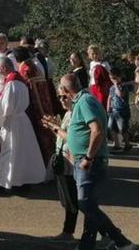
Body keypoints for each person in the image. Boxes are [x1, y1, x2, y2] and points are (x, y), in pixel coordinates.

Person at [61, 72, 136, 250]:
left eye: (60, 91)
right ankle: (88, 245)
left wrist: (88, 157)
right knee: (90, 205)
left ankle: (119, 239)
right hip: (85, 160)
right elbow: (80, 132)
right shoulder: (82, 101)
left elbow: (96, 130)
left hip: (90, 162)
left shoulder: (85, 101)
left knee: (85, 203)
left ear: (65, 89)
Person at [0, 55, 46, 193]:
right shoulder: (18, 80)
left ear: (3, 68)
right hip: (22, 120)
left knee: (8, 153)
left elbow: (6, 106)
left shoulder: (12, 82)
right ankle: (22, 182)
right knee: (22, 154)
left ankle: (1, 184)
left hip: (12, 122)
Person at [41, 75, 80, 242]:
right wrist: (53, 126)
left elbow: (70, 137)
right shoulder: (68, 113)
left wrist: (54, 127)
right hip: (64, 161)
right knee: (70, 200)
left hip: (71, 162)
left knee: (74, 201)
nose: (62, 100)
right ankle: (68, 231)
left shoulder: (75, 113)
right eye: (59, 97)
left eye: (65, 96)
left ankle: (68, 232)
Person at [14, 46, 56, 163]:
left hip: (34, 107)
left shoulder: (25, 70)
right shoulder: (34, 65)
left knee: (39, 137)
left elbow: (25, 90)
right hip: (45, 105)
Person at [107, 68, 132, 153]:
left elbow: (120, 94)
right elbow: (109, 97)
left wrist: (116, 85)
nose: (113, 80)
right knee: (110, 127)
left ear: (119, 77)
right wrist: (108, 106)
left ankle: (127, 144)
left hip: (122, 110)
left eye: (114, 78)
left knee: (122, 128)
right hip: (113, 110)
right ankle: (116, 143)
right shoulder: (111, 88)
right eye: (111, 78)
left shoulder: (123, 86)